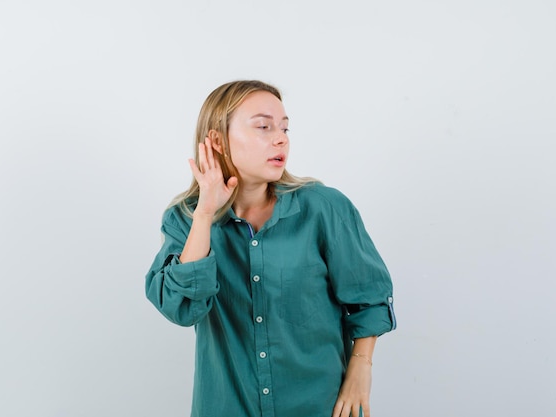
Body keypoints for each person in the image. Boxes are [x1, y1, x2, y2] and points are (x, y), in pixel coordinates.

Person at [145, 80, 396, 417]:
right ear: (217, 140)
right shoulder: (185, 219)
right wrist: (205, 213)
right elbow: (182, 308)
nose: (281, 138)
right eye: (264, 126)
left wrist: (360, 370)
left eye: (285, 128)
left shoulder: (324, 208)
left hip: (322, 406)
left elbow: (369, 298)